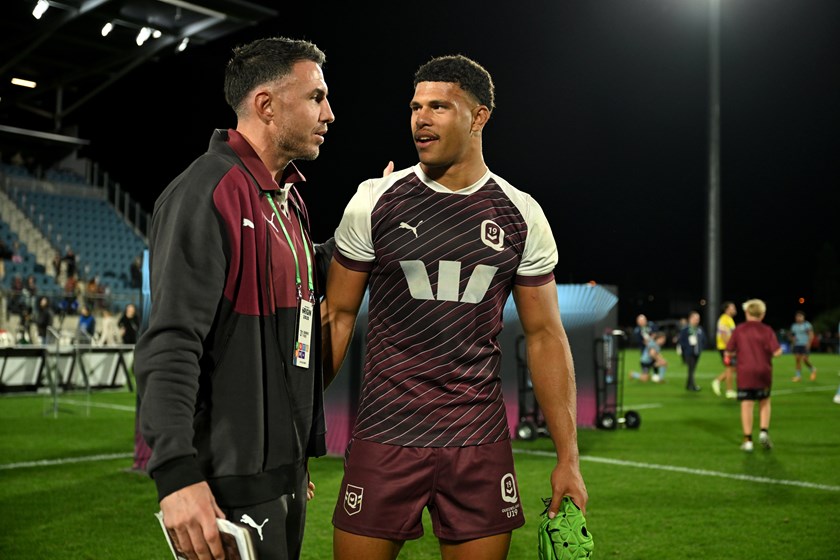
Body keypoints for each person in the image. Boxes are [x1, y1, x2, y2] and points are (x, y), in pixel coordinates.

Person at [322, 54, 588, 560]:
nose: (420, 118)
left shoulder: (521, 213)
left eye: (439, 106)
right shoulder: (373, 200)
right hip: (386, 431)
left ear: (479, 116)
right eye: (416, 106)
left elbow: (545, 337)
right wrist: (302, 428)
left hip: (478, 439)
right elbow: (336, 318)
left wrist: (568, 458)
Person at [135, 36, 335, 560]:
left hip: (282, 474)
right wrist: (176, 475)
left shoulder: (288, 203)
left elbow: (305, 296)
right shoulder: (207, 191)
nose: (329, 113)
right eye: (316, 97)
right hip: (228, 481)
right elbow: (173, 340)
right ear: (266, 105)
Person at [725, 299, 782, 452]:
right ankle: (763, 432)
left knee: (747, 404)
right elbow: (777, 352)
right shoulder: (767, 330)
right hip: (764, 371)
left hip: (745, 372)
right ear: (762, 314)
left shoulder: (739, 330)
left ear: (746, 312)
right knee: (764, 401)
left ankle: (748, 439)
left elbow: (729, 350)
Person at [712, 301, 738, 398]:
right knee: (730, 368)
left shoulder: (729, 319)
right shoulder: (724, 319)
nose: (734, 309)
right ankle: (729, 391)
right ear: (727, 309)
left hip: (727, 348)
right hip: (725, 348)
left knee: (734, 368)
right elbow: (723, 335)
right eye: (733, 307)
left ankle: (717, 381)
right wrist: (730, 348)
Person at [677, 311, 706, 391]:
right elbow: (681, 341)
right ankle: (692, 386)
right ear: (690, 319)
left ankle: (688, 385)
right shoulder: (685, 329)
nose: (697, 320)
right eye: (695, 318)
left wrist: (701, 347)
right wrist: (684, 351)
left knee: (692, 369)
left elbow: (703, 339)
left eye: (698, 319)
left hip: (697, 352)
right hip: (689, 353)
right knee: (691, 369)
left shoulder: (699, 329)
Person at [789, 311, 817, 382]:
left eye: (800, 316)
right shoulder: (794, 326)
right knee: (797, 360)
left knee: (805, 359)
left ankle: (813, 369)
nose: (798, 318)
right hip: (797, 345)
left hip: (805, 344)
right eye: (797, 317)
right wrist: (793, 341)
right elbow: (792, 335)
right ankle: (798, 376)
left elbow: (811, 335)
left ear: (803, 317)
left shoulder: (806, 325)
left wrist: (809, 343)